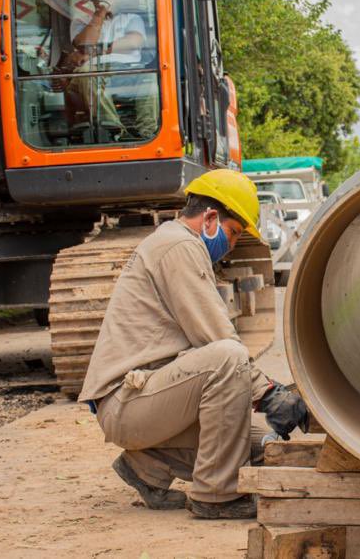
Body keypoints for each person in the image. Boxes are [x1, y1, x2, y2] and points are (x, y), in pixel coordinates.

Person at [78, 169, 309, 519]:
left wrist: (268, 395)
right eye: (233, 233)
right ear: (211, 218)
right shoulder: (180, 246)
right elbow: (217, 339)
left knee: (262, 442)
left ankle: (146, 468)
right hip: (127, 403)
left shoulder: (175, 244)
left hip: (148, 399)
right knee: (228, 357)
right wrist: (270, 394)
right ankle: (216, 497)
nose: (231, 245)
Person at [65, 0, 158, 140]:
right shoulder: (80, 22)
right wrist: (99, 15)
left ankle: (148, 134)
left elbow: (133, 41)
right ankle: (117, 132)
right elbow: (84, 45)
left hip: (128, 73)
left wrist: (98, 50)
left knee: (150, 78)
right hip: (93, 73)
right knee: (87, 71)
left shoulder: (132, 18)